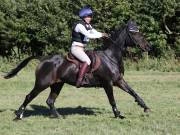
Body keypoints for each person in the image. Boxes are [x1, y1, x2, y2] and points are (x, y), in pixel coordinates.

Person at [71, 6, 108, 88]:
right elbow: (88, 35)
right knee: (87, 61)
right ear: (83, 16)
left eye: (90, 16)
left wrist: (103, 34)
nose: (89, 18)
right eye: (87, 16)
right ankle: (79, 81)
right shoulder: (79, 25)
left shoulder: (88, 25)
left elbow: (95, 32)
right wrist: (101, 35)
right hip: (76, 48)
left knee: (93, 58)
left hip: (82, 49)